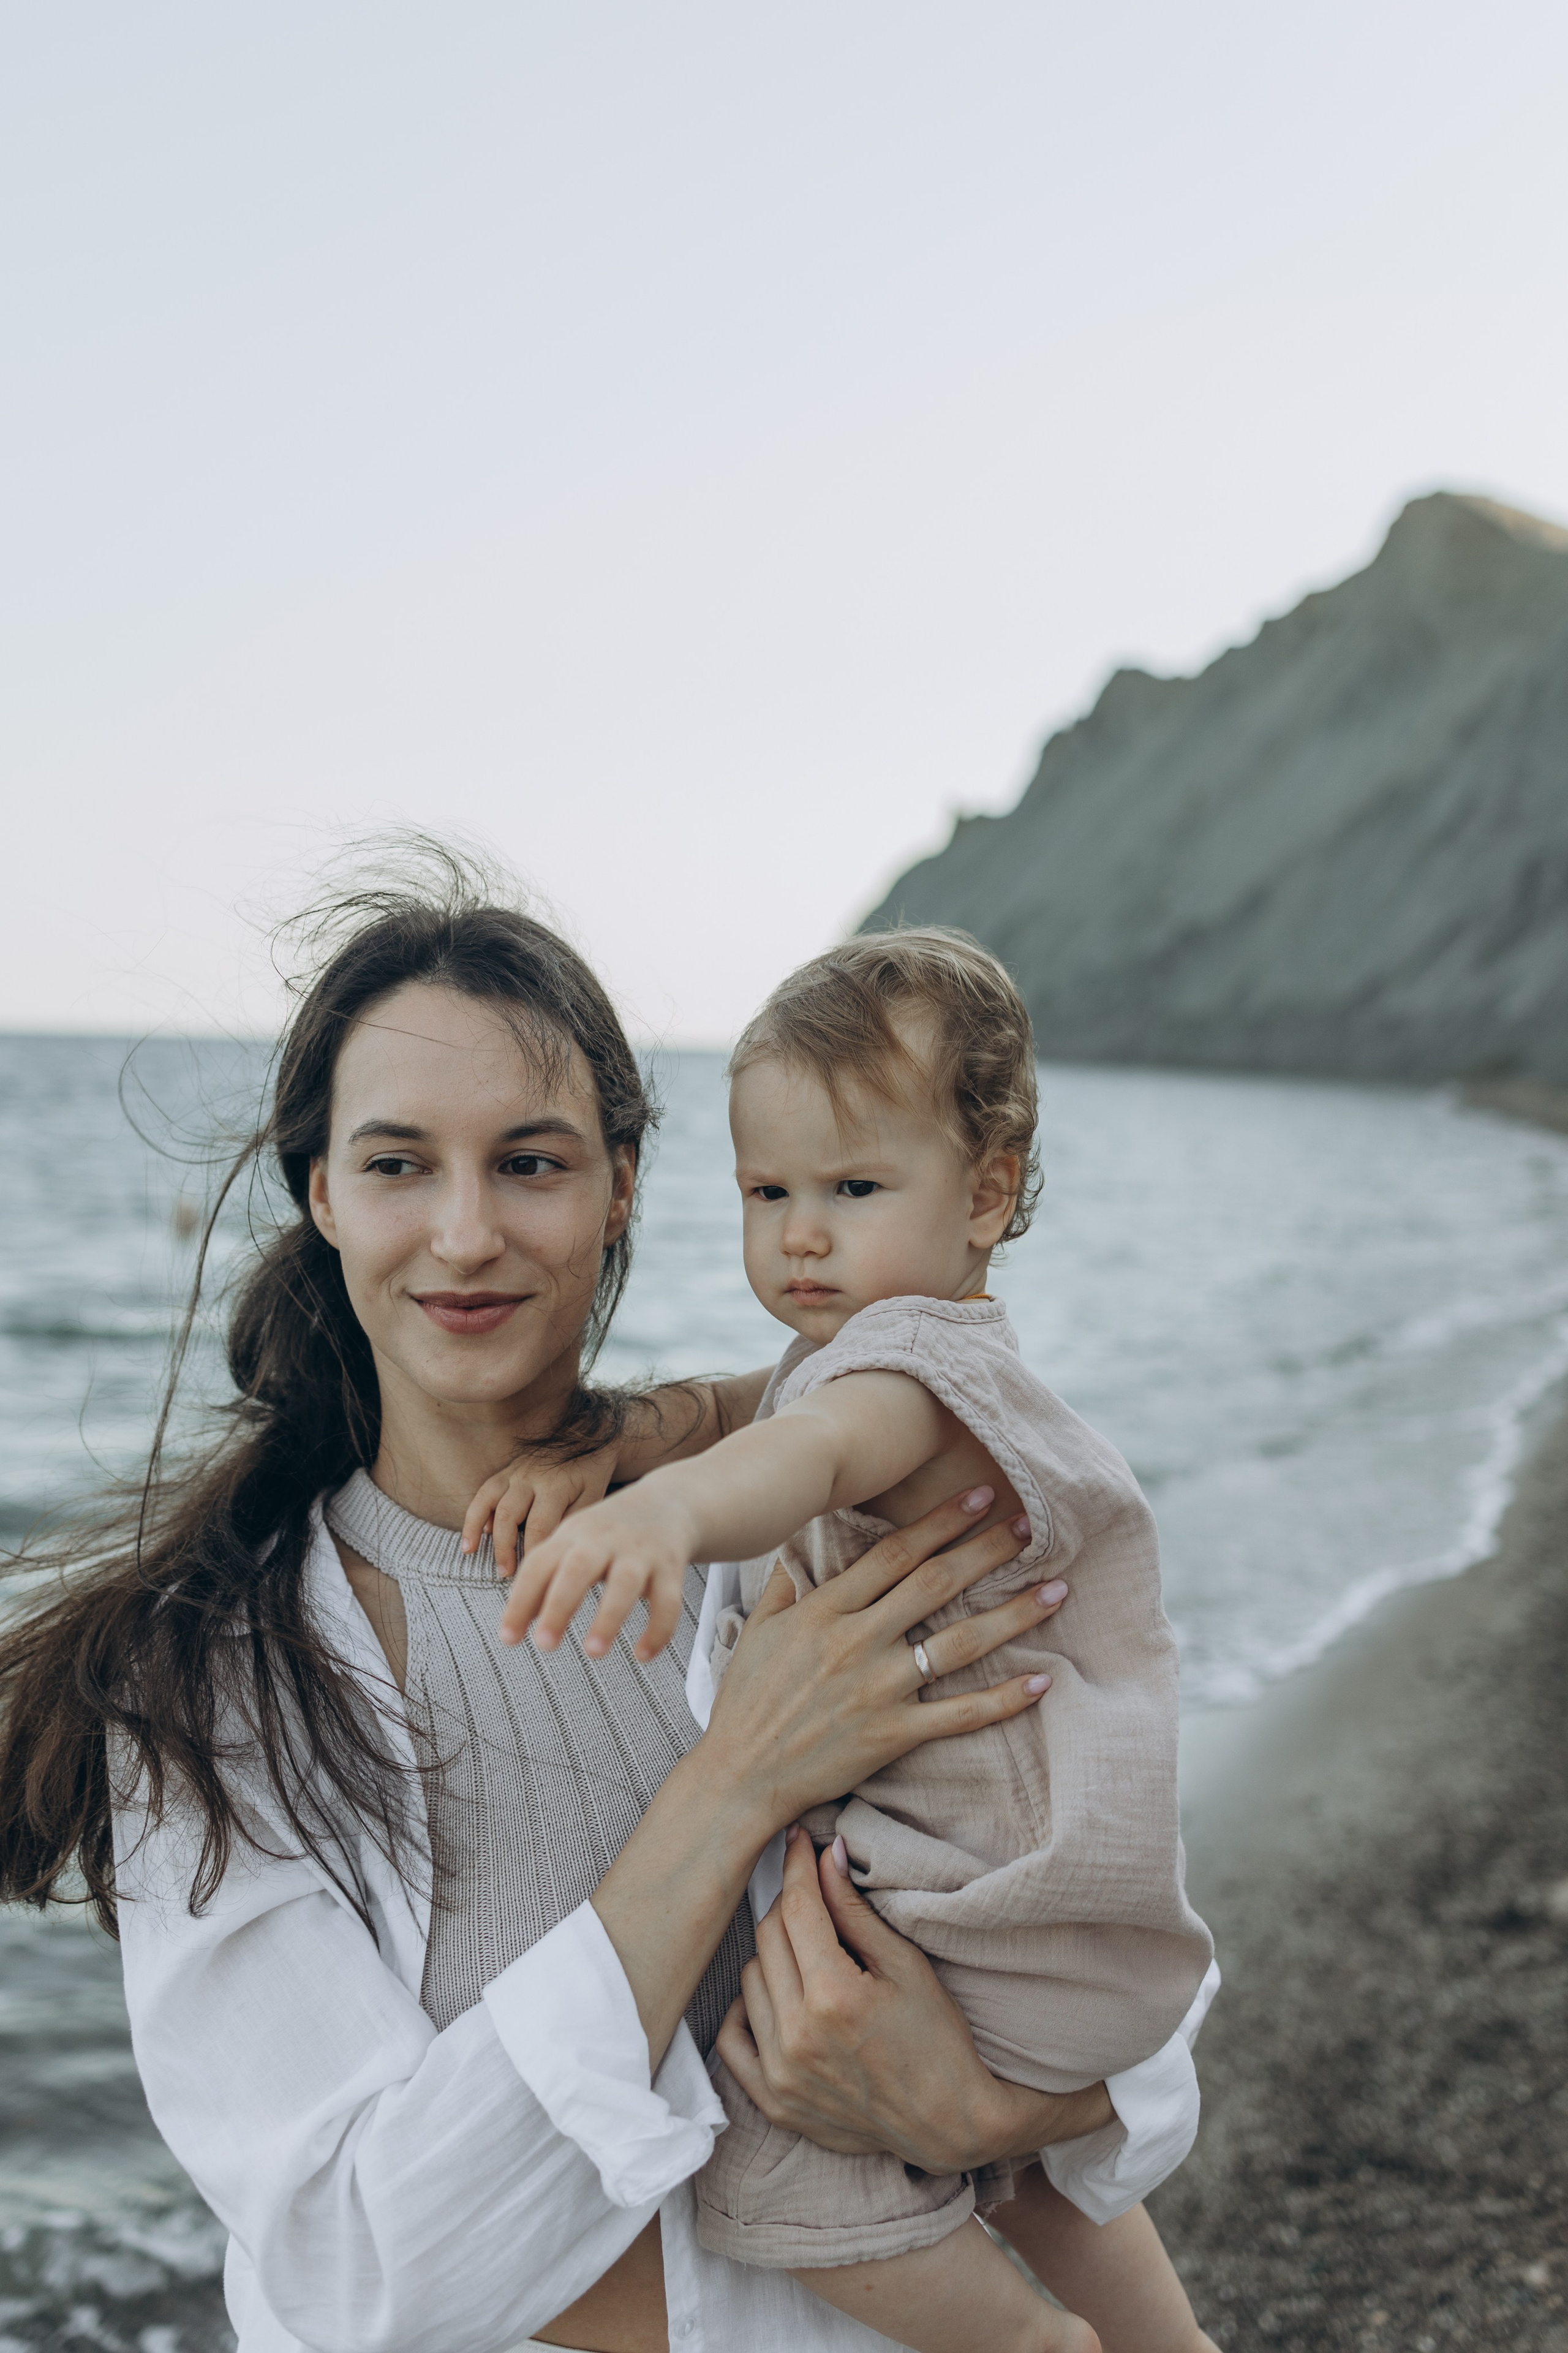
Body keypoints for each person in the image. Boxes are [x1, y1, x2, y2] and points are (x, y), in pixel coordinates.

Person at [0, 856, 1207, 2353]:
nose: (464, 1232)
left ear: (621, 1184)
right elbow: (359, 2269)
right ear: (321, 1195)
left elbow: (1077, 1900)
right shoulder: (216, 1687)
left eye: (529, 1162)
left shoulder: (798, 1531)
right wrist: (735, 1781)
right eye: (395, 1165)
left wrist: (986, 2110)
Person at [475, 929, 1218, 2353]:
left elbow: (807, 1448)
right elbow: (761, 1402)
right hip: (1052, 1917)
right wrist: (621, 1433)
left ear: (984, 1192)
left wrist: (665, 1515)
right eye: (766, 1193)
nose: (798, 1234)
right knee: (1032, 2175)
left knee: (773, 2159)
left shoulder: (899, 1382)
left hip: (972, 1910)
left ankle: (1029, 2345)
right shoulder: (920, 1348)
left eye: (850, 1189)